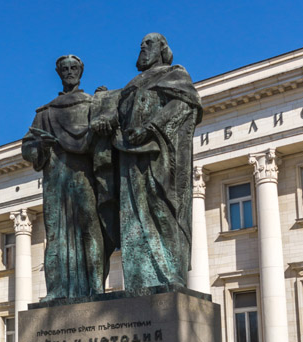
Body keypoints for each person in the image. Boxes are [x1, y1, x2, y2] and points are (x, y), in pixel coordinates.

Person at [93, 34, 203, 290]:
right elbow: (118, 112)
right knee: (132, 214)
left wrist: (151, 128)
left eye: (149, 43)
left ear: (163, 49)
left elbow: (184, 106)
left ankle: (168, 276)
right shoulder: (133, 84)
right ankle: (140, 280)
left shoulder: (175, 74)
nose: (143, 47)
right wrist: (105, 106)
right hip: (129, 153)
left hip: (157, 153)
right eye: (141, 44)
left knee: (159, 207)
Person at [21, 55, 116, 300]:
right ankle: (57, 290)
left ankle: (95, 287)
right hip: (56, 182)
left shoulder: (91, 104)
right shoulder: (45, 113)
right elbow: (28, 147)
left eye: (74, 68)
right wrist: (39, 145)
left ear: (81, 71)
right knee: (55, 235)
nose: (70, 72)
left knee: (90, 230)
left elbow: (105, 140)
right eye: (65, 69)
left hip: (85, 179)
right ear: (58, 72)